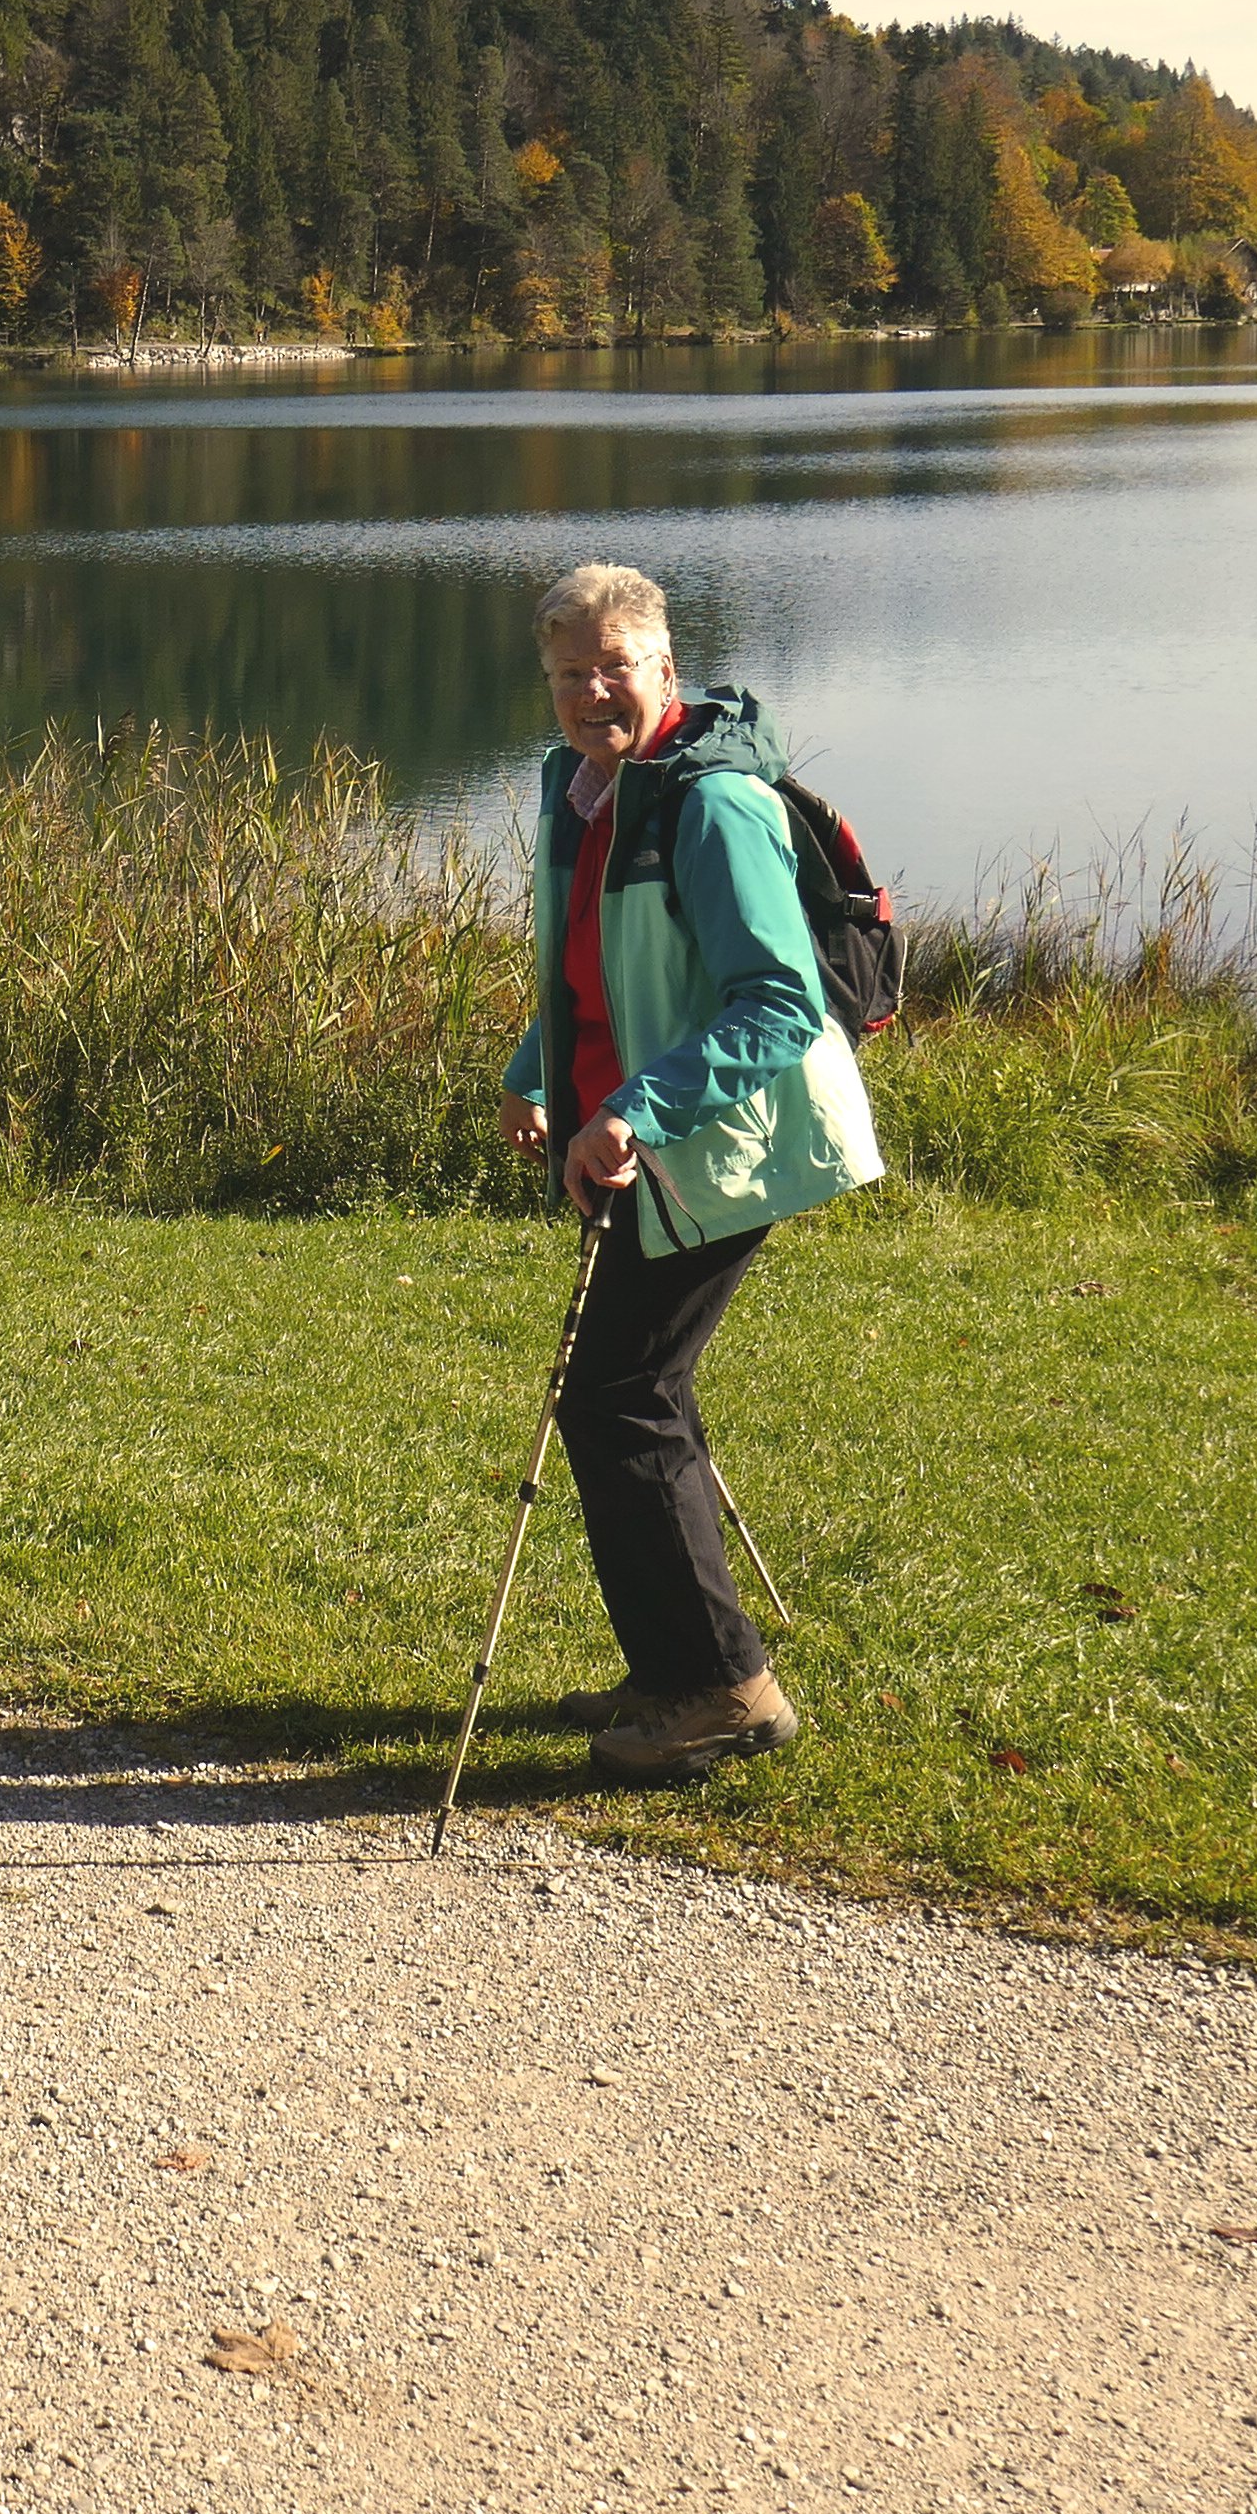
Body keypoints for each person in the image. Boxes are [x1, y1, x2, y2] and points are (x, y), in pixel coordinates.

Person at [494, 561, 883, 1784]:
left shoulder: (711, 808)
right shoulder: (582, 784)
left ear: (666, 668)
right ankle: (675, 1668)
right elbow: (590, 948)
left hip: (721, 1141)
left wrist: (633, 1113)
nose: (590, 693)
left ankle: (718, 1688)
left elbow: (779, 1002)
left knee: (615, 1396)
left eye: (615, 667)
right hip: (629, 1134)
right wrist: (536, 1069)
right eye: (569, 674)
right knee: (636, 1388)